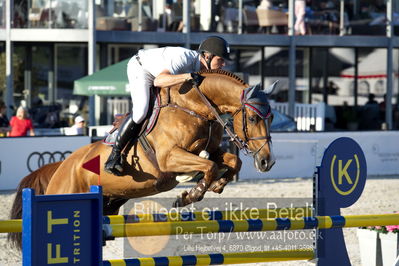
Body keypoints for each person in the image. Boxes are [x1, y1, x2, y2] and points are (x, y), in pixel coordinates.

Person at [104, 36, 231, 176]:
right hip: (141, 69)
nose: (223, 64)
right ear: (207, 56)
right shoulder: (183, 58)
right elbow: (159, 81)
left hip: (162, 74)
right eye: (220, 59)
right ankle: (115, 155)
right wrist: (187, 76)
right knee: (141, 110)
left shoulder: (203, 69)